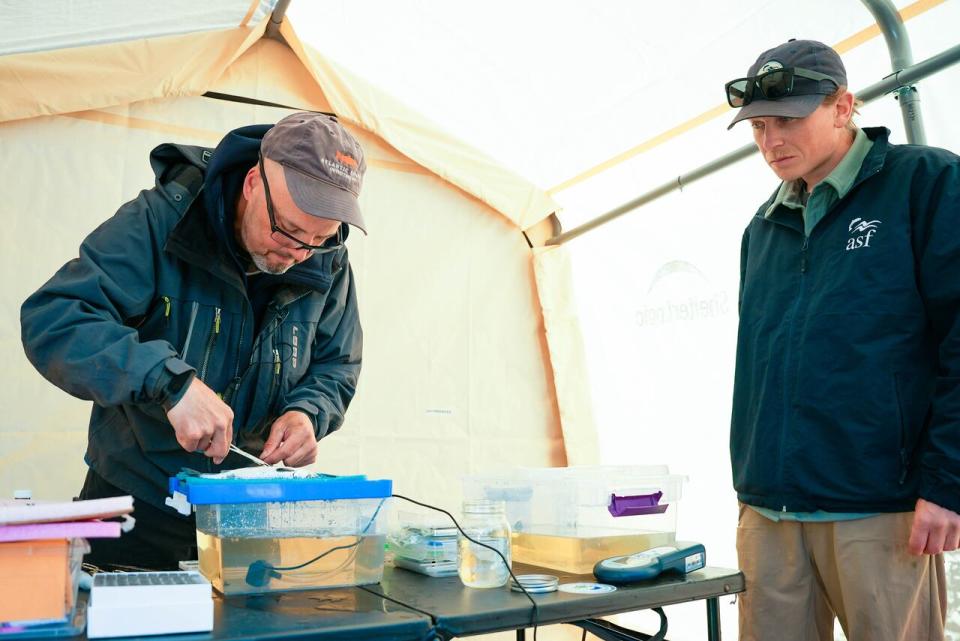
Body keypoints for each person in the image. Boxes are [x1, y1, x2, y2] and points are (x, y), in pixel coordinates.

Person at [21, 112, 367, 570]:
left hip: (250, 513)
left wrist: (308, 413)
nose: (298, 251)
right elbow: (57, 317)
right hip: (137, 503)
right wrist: (169, 382)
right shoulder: (160, 221)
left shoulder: (328, 259)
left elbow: (337, 364)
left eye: (318, 239)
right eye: (287, 228)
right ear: (251, 183)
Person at [726, 39, 960, 640]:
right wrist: (752, 491)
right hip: (769, 513)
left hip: (882, 510)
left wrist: (948, 482)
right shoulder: (762, 226)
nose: (770, 141)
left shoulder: (926, 183)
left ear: (843, 106)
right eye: (758, 125)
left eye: (789, 119)